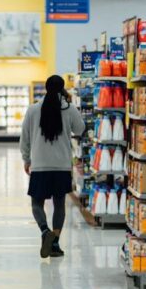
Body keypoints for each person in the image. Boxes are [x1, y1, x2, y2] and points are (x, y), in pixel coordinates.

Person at [20, 75, 85, 258]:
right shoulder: (69, 109)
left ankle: (44, 231)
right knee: (59, 204)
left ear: (46, 87)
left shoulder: (33, 110)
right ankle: (55, 243)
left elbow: (24, 138)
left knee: (36, 203)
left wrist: (26, 159)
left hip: (40, 165)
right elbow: (80, 130)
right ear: (62, 88)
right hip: (62, 165)